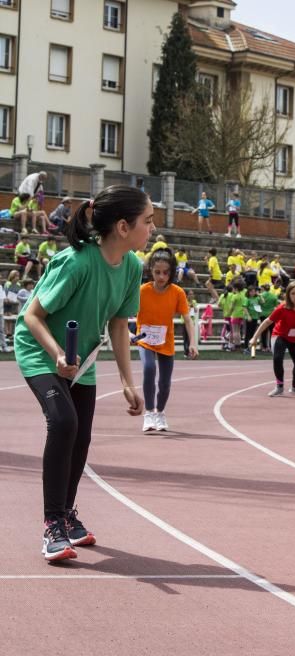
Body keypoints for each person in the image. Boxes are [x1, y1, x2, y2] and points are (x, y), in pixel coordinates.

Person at [14, 185, 149, 561]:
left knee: (82, 436)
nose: (152, 229)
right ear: (123, 227)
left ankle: (68, 514)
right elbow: (31, 316)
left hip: (81, 359)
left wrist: (127, 382)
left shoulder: (132, 267)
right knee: (63, 423)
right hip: (40, 351)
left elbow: (120, 323)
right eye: (148, 221)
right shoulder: (76, 262)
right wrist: (57, 354)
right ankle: (52, 525)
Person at [134, 247, 197, 433]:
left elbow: (187, 319)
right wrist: (129, 335)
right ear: (150, 271)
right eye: (157, 272)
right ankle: (148, 413)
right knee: (148, 368)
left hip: (165, 341)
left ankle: (160, 412)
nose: (161, 277)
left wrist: (192, 342)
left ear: (172, 272)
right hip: (145, 338)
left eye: (166, 273)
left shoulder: (177, 293)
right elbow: (121, 313)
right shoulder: (141, 291)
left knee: (165, 382)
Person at [249, 281, 295, 396]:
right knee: (277, 358)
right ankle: (279, 386)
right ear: (288, 295)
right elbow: (267, 321)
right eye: (293, 293)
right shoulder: (283, 307)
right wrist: (254, 337)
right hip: (280, 335)